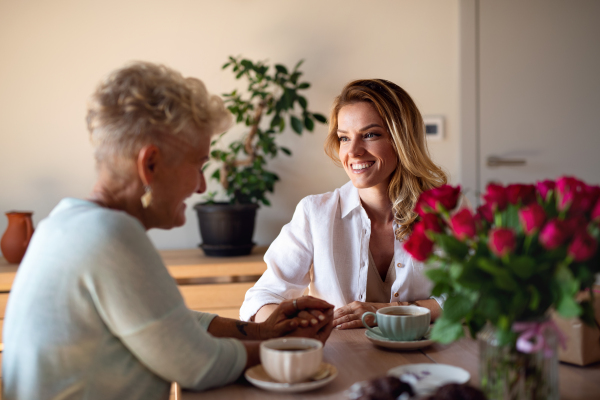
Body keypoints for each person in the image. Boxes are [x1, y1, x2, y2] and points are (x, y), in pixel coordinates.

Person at [2, 62, 334, 400]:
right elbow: (197, 366)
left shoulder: (66, 223)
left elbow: (166, 322)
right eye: (199, 165)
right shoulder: (109, 235)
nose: (202, 186)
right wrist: (290, 349)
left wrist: (259, 331)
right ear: (150, 165)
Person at [240, 79, 448, 329]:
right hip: (343, 361)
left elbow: (472, 296)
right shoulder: (315, 213)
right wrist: (295, 323)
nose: (354, 151)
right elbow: (260, 298)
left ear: (402, 139)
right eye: (344, 138)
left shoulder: (446, 211)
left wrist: (383, 311)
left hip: (428, 361)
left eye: (370, 135)